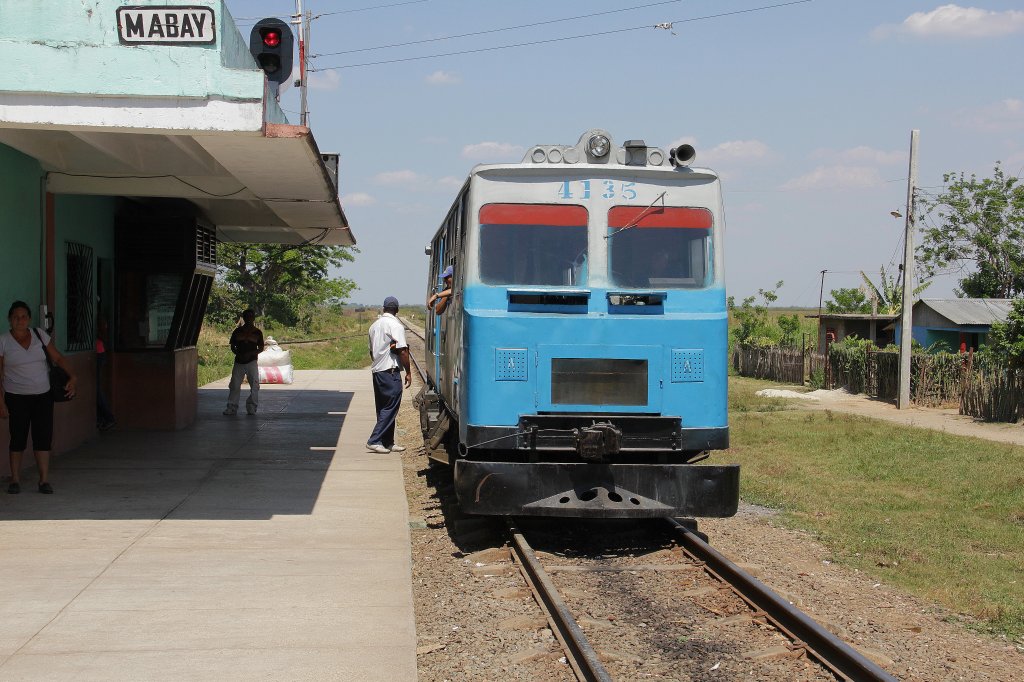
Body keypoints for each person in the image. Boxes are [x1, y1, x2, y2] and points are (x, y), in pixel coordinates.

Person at [0, 300, 77, 494]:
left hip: (43, 396)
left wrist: (73, 376)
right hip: (16, 397)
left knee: (43, 438)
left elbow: (57, 358)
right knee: (17, 438)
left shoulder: (39, 335)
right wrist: (0, 402)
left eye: (24, 316)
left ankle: (44, 480)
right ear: (9, 319)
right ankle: (15, 480)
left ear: (29, 319)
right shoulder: (3, 341)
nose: (20, 320)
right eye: (16, 317)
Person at [366, 296, 411, 453]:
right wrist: (408, 372)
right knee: (391, 406)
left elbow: (371, 351)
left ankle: (387, 442)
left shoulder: (373, 326)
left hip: (377, 371)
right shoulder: (396, 326)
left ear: (384, 308)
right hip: (390, 372)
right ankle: (374, 440)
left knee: (382, 408)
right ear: (397, 310)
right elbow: (403, 351)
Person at [224, 309, 264, 416]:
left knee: (254, 386)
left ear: (253, 318)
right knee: (234, 385)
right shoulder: (237, 331)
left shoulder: (258, 332)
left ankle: (252, 407)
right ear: (244, 318)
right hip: (239, 362)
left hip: (252, 362)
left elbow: (261, 348)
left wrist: (250, 354)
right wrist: (238, 353)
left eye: (251, 317)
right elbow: (233, 346)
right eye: (246, 316)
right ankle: (232, 407)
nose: (249, 319)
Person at [95, 315, 115, 431]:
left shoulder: (98, 323)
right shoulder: (101, 325)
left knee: (97, 389)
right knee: (97, 388)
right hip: (100, 354)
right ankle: (102, 418)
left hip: (98, 354)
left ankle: (108, 417)